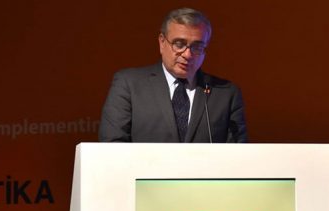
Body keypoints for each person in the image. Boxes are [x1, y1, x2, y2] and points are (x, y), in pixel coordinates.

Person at [98, 7, 248, 143]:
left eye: (197, 47)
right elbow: (112, 145)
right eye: (179, 44)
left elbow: (237, 155)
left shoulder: (226, 94)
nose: (188, 54)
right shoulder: (129, 84)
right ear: (162, 42)